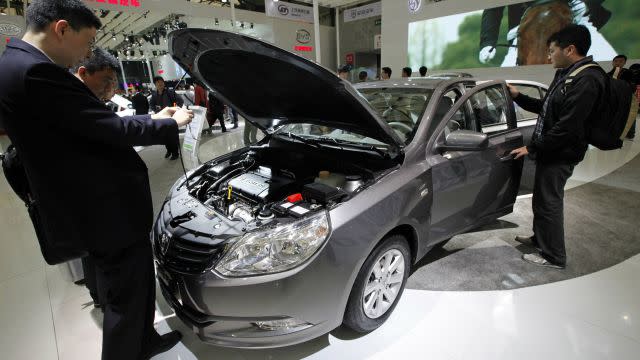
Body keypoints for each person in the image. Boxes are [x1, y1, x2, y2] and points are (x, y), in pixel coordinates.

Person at [0, 1, 194, 359]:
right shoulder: (35, 72)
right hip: (102, 209)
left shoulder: (15, 64)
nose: (87, 53)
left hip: (94, 205)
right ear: (61, 29)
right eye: (87, 41)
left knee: (133, 283)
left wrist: (153, 116)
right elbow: (107, 128)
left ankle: (145, 340)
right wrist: (170, 123)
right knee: (124, 292)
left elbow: (83, 127)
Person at [508, 24, 605, 269]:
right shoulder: (566, 73)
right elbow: (547, 108)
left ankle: (553, 256)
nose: (548, 56)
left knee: (549, 202)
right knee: (542, 200)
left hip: (561, 154)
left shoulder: (587, 80)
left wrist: (532, 148)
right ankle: (540, 238)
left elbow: (567, 127)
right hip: (551, 151)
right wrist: (518, 96)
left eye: (552, 51)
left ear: (569, 49)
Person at [72, 48, 120, 309]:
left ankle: (98, 295)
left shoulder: (82, 99)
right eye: (105, 80)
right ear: (83, 73)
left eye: (112, 81)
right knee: (101, 256)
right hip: (92, 198)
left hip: (88, 198)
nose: (109, 87)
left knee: (93, 255)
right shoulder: (75, 104)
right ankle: (105, 298)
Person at [479, 1, 614, 67]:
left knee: (609, 58)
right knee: (506, 77)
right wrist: (487, 42)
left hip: (573, 17)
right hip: (527, 24)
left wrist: (587, 3)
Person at [150, 76, 183, 159]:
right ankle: (169, 150)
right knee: (164, 136)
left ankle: (175, 153)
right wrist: (157, 111)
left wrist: (175, 110)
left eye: (161, 81)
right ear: (155, 84)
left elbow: (180, 101)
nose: (160, 83)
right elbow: (151, 105)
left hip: (171, 118)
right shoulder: (154, 95)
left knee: (172, 136)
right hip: (161, 118)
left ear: (164, 83)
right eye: (157, 82)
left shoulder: (170, 92)